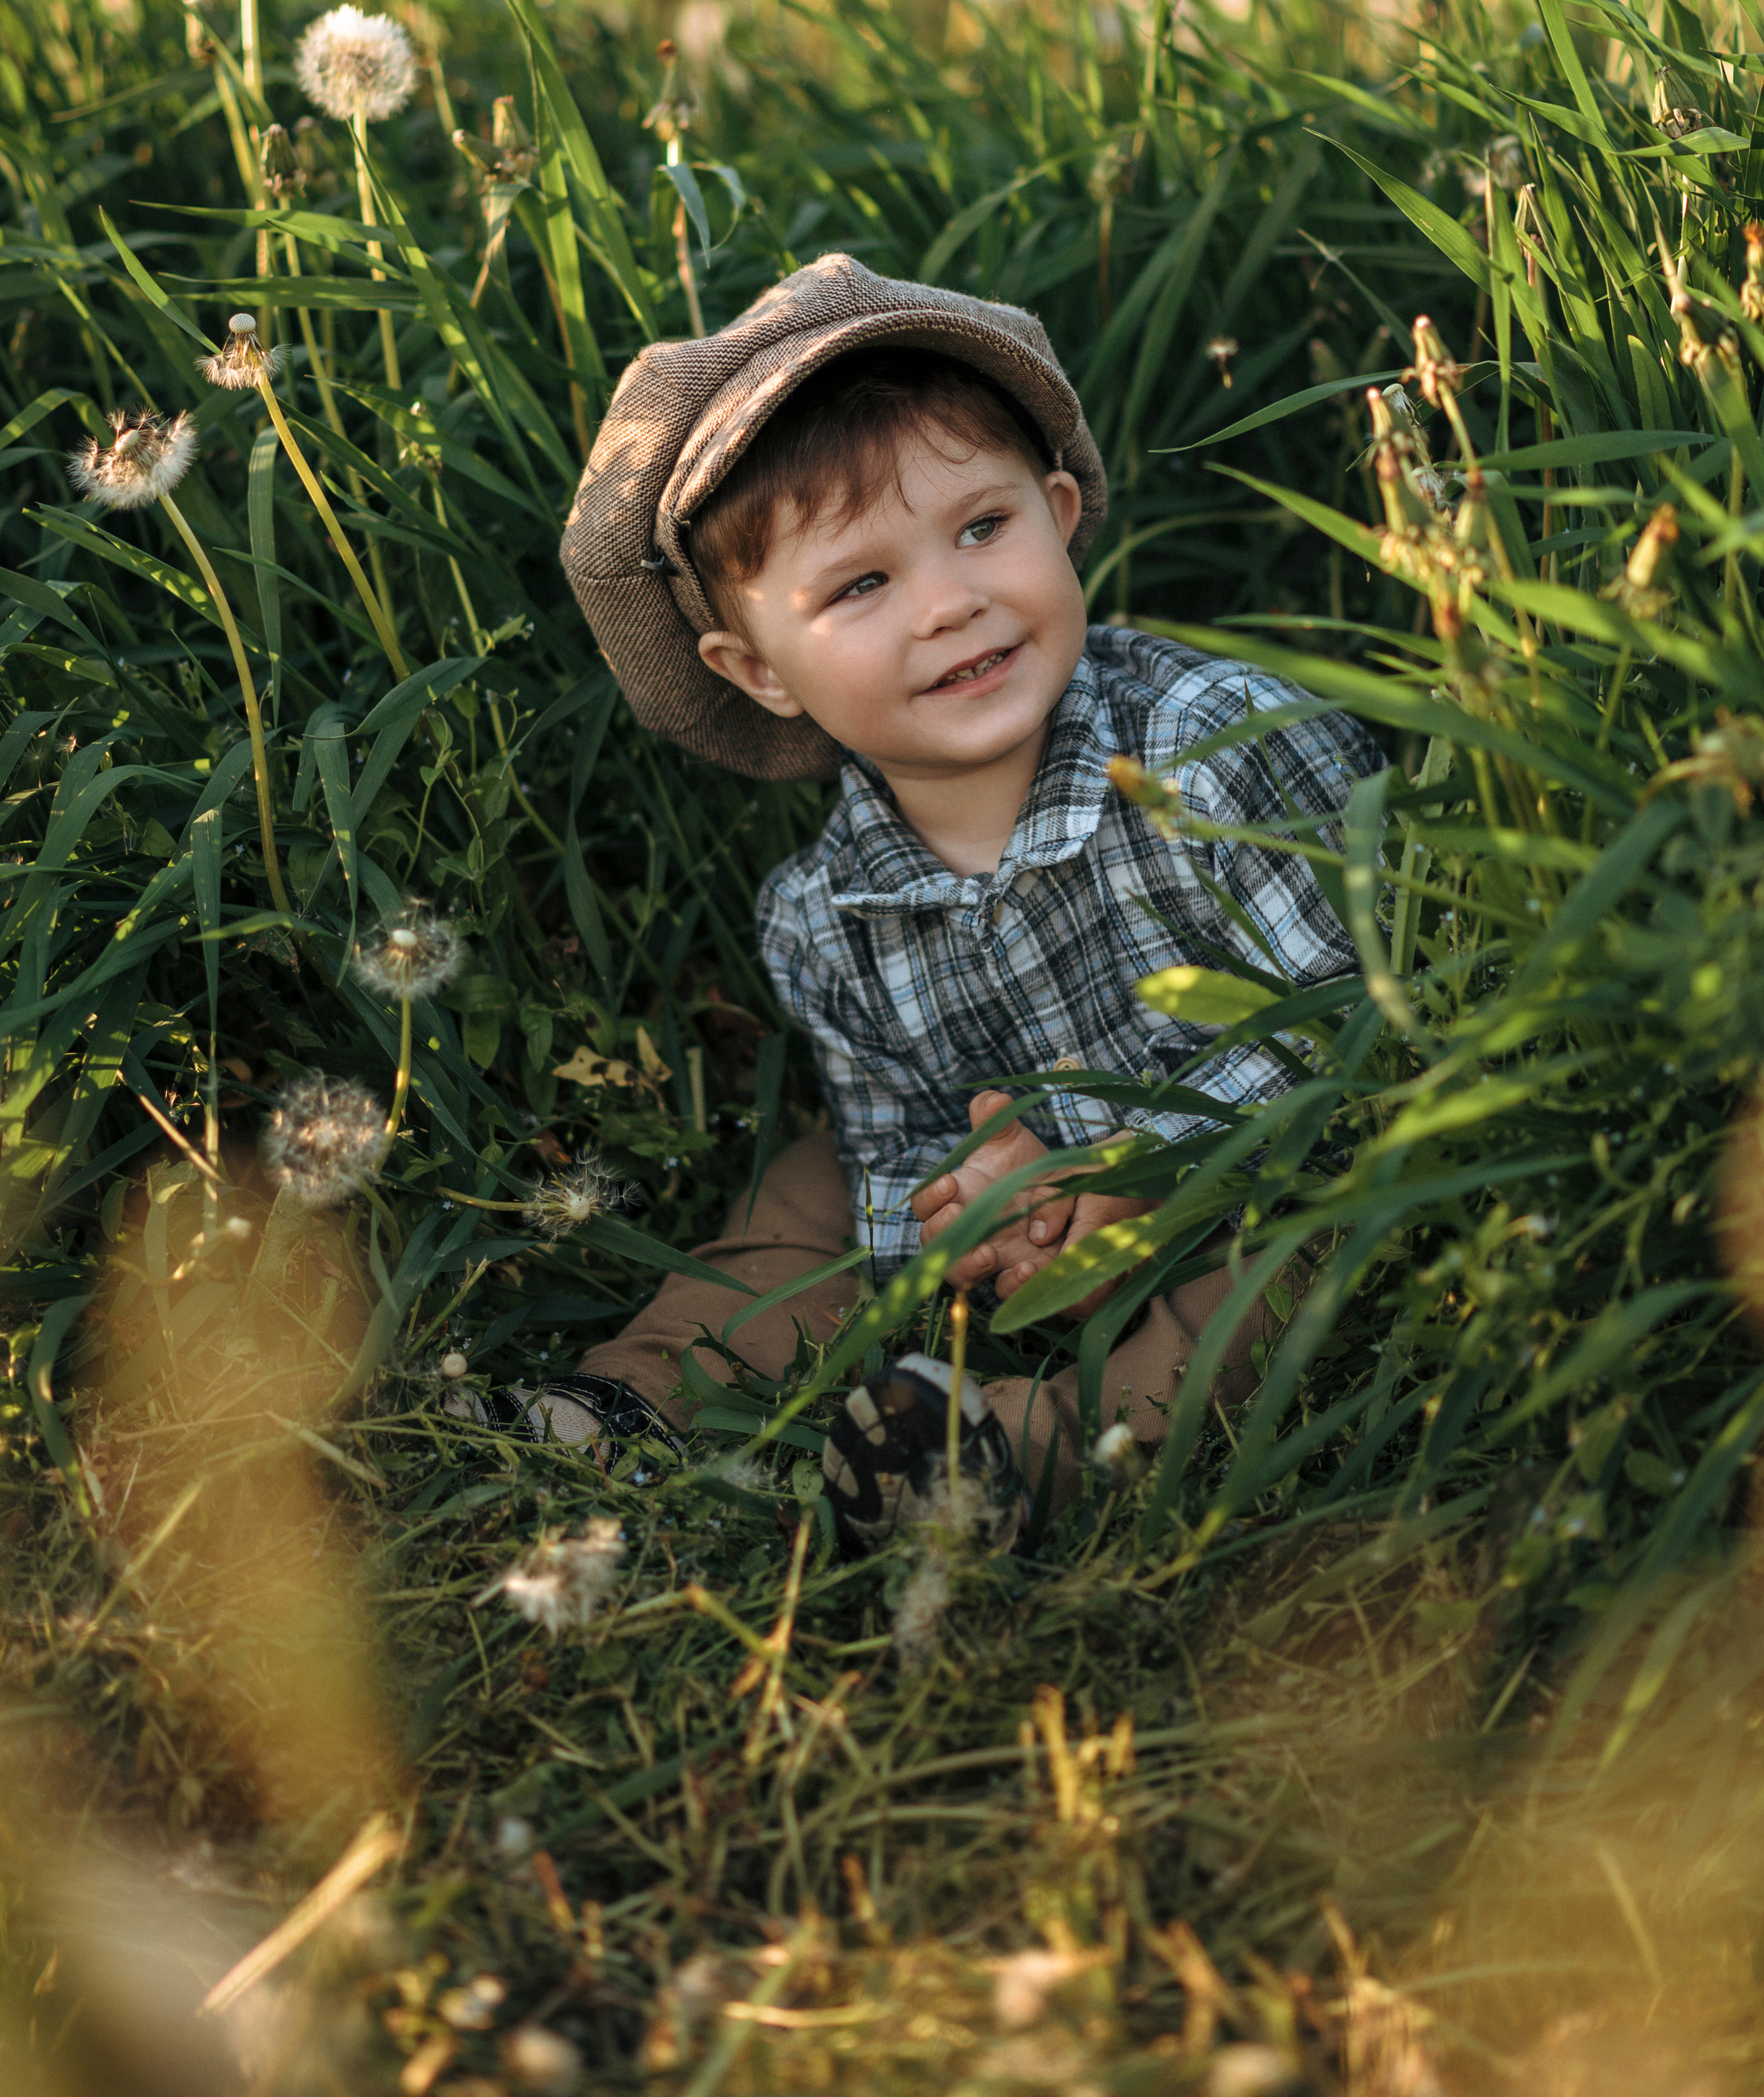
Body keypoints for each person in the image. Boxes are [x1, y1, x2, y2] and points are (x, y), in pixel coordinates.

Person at [448, 254, 1379, 1551]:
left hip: (1271, 1164)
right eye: (861, 584)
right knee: (819, 1179)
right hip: (1030, 1195)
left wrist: (1133, 1154)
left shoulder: (1213, 744)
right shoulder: (820, 917)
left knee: (1318, 1249)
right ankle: (638, 1393)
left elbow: (1360, 1038)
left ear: (1059, 511)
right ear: (755, 668)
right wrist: (986, 1227)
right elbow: (900, 1160)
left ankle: (1029, 1446)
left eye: (984, 527)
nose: (951, 601)